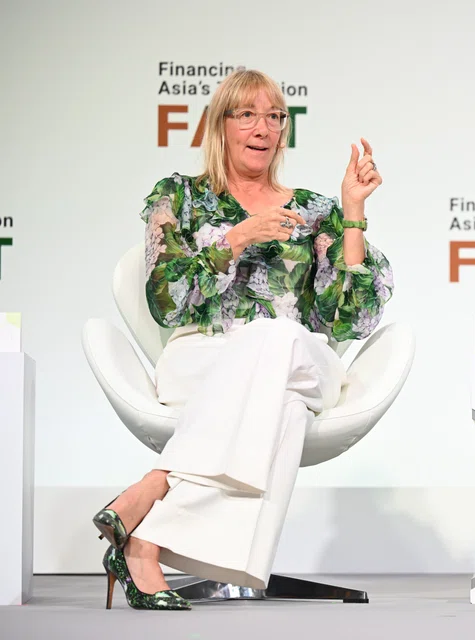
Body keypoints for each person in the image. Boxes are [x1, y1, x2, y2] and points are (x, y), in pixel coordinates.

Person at [91, 69, 394, 610]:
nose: (264, 127)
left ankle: (154, 490)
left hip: (302, 356)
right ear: (220, 125)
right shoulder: (179, 198)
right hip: (203, 357)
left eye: (276, 116)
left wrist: (352, 212)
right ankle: (148, 544)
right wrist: (233, 240)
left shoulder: (314, 209)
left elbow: (351, 316)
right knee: (285, 406)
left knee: (277, 336)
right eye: (248, 114)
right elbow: (165, 301)